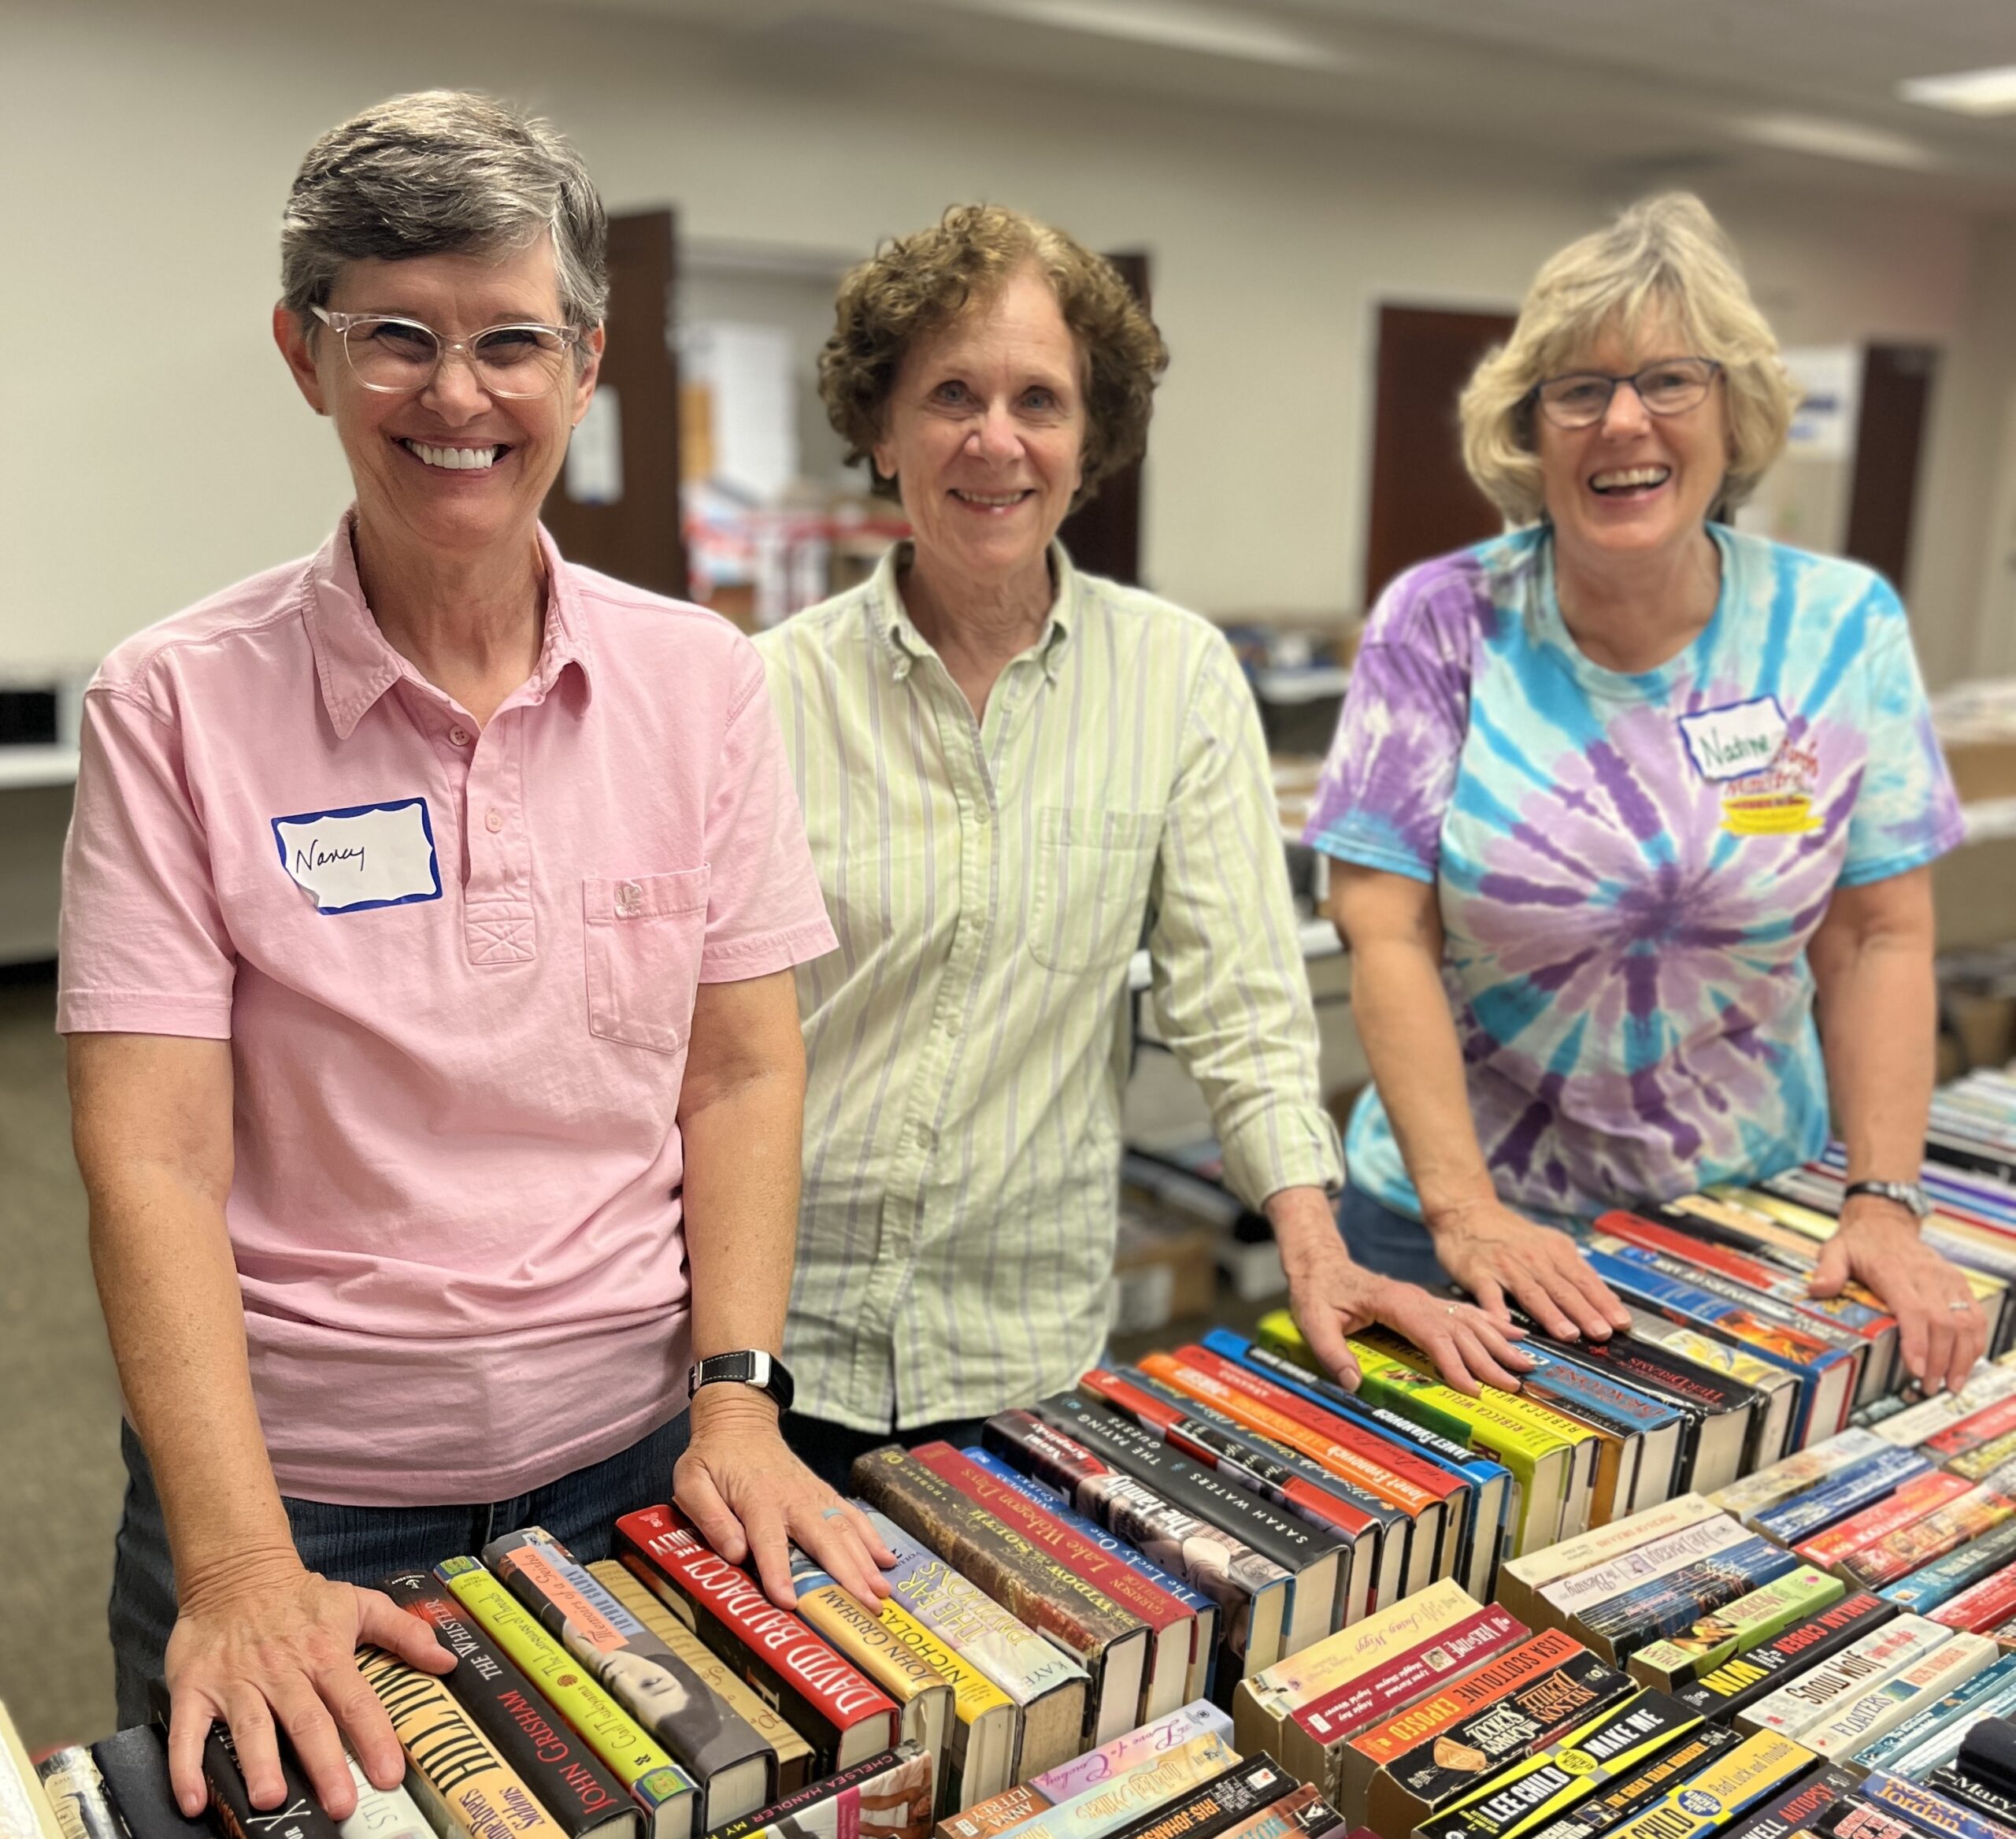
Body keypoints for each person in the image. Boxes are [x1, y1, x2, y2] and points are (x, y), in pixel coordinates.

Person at [59, 91, 887, 1826]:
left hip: (639, 1459)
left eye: (511, 340)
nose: (457, 396)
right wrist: (235, 1562)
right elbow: (149, 1152)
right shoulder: (174, 701)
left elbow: (738, 1069)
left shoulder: (699, 682)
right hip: (299, 1491)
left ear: (582, 366)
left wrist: (739, 1404)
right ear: (305, 354)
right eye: (397, 340)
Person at [758, 204, 1533, 1491]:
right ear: (881, 430)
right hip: (770, 1345)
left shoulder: (1175, 679)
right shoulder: (759, 692)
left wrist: (1313, 1236)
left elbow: (1237, 996)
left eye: (1040, 401)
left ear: (1089, 436)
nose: (994, 440)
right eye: (950, 393)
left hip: (1021, 1345)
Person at [1306, 191, 1982, 1395]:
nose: (1625, 420)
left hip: (1745, 1214)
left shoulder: (1838, 629)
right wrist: (1466, 1214)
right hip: (1459, 1226)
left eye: (1671, 380)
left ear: (1735, 414)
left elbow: (1882, 934)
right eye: (1579, 388)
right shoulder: (1443, 621)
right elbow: (1384, 926)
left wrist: (1883, 1198)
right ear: (1532, 428)